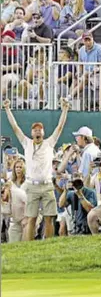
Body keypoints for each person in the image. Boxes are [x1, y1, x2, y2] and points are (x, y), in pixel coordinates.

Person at [3, 98, 69, 241]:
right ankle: (28, 245)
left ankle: (49, 245)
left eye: (40, 130)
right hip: (31, 186)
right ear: (32, 133)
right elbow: (15, 127)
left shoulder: (49, 143)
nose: (37, 131)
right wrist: (7, 108)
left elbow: (60, 127)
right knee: (31, 218)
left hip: (47, 185)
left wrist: (65, 110)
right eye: (35, 130)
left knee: (49, 218)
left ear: (43, 132)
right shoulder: (26, 143)